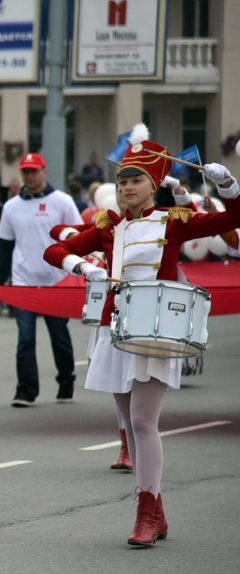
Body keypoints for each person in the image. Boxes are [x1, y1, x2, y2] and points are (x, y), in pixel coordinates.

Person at [43, 124, 240, 547]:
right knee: (130, 427)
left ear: (154, 187)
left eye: (136, 181)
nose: (127, 188)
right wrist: (86, 268)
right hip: (116, 329)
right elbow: (54, 249)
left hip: (158, 330)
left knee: (142, 420)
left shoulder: (173, 222)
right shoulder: (109, 228)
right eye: (121, 182)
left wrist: (228, 185)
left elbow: (233, 219)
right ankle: (157, 510)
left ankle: (146, 513)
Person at [0, 152, 83, 407]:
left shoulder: (62, 201)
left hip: (57, 282)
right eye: (26, 172)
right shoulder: (11, 207)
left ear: (44, 172)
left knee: (59, 337)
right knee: (25, 338)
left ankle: (66, 381)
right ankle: (26, 389)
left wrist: (80, 272)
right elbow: (5, 246)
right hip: (24, 282)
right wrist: (0, 283)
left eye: (34, 171)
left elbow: (79, 238)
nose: (30, 176)